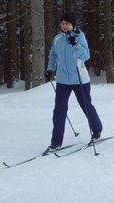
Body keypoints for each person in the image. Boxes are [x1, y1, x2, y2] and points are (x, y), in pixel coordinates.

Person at [44, 11, 103, 150]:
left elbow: (86, 55)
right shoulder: (58, 38)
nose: (64, 26)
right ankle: (56, 142)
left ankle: (97, 130)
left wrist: (75, 43)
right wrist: (50, 69)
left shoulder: (80, 36)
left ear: (73, 24)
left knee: (86, 106)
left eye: (67, 24)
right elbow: (53, 54)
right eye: (62, 23)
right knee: (59, 110)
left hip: (80, 80)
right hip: (63, 80)